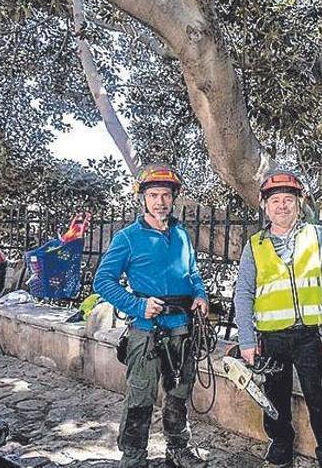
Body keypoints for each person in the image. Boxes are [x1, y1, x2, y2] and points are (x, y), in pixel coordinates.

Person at [94, 164, 209, 468]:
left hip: (182, 328)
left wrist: (200, 294)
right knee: (140, 397)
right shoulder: (128, 238)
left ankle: (177, 449)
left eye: (166, 195)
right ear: (143, 199)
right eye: (154, 195)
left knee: (179, 393)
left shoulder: (182, 235)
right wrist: (137, 306)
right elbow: (102, 281)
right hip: (146, 331)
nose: (161, 201)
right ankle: (133, 457)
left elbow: (193, 273)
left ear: (174, 199)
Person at [233, 169, 322, 468]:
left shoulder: (316, 234)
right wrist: (246, 339)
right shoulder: (254, 245)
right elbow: (243, 294)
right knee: (274, 399)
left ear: (299, 203)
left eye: (288, 200)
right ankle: (280, 443)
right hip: (271, 339)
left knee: (320, 398)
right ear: (264, 206)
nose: (282, 206)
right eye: (275, 201)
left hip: (309, 336)